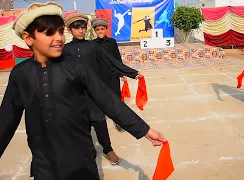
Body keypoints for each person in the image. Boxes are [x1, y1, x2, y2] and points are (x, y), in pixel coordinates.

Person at [0, 2, 165, 180]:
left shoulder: (75, 67)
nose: (59, 38)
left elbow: (108, 100)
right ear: (28, 38)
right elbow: (6, 120)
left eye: (60, 32)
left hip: (81, 161)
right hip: (44, 164)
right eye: (49, 33)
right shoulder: (20, 74)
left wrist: (144, 130)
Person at [63, 13, 142, 164]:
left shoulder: (92, 46)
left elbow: (110, 61)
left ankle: (108, 149)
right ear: (70, 30)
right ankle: (88, 147)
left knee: (99, 121)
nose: (80, 30)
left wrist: (131, 73)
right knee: (81, 123)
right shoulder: (66, 50)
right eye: (76, 28)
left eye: (83, 27)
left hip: (93, 92)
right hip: (75, 94)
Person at [92, 17, 127, 132]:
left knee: (116, 98)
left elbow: (117, 58)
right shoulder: (92, 44)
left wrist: (122, 73)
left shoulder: (112, 42)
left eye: (102, 28)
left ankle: (118, 121)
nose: (100, 31)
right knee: (100, 98)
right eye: (98, 29)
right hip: (99, 76)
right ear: (95, 31)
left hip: (112, 75)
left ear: (106, 29)